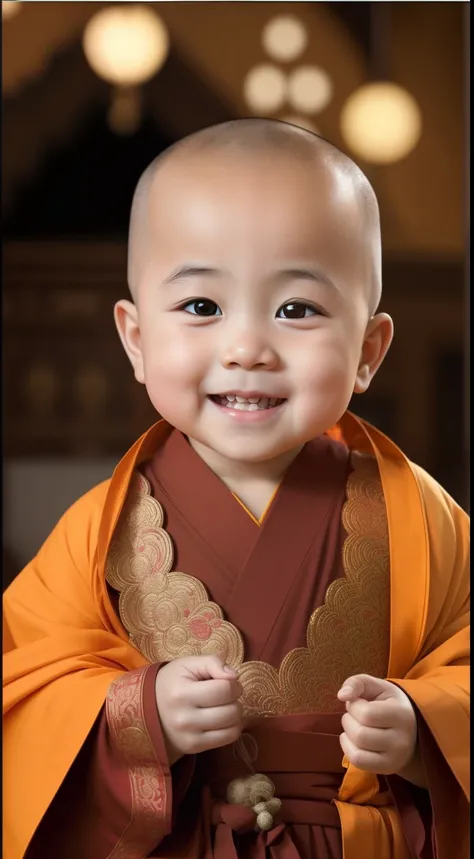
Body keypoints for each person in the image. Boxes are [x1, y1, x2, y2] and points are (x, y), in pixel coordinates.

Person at [3, 119, 469, 859]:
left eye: (297, 310)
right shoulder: (100, 530)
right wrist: (138, 714)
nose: (247, 347)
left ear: (369, 350)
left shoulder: (422, 516)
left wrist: (426, 730)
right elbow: (22, 688)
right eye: (200, 307)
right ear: (135, 338)